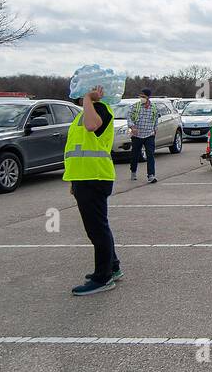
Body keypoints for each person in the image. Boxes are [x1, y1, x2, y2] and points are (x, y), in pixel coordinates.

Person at [64, 84, 121, 294]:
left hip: (94, 176)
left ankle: (103, 278)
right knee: (99, 226)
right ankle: (112, 266)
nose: (80, 96)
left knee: (97, 229)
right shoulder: (88, 111)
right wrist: (73, 181)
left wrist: (89, 99)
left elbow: (91, 127)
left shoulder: (100, 109)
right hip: (84, 176)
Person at [128, 88, 158, 184]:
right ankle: (133, 171)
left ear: (148, 97)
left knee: (150, 155)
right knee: (135, 154)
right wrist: (132, 127)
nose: (141, 98)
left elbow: (156, 120)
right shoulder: (135, 107)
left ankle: (151, 175)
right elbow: (129, 117)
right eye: (140, 96)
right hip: (137, 135)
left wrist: (155, 130)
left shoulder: (153, 107)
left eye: (143, 96)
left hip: (149, 134)